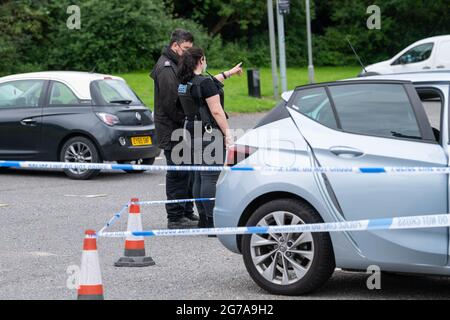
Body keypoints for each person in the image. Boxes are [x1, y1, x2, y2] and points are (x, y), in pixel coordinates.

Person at [177, 47, 243, 229]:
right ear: (201, 60)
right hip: (208, 133)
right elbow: (216, 110)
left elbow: (211, 84)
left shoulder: (185, 81)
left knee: (199, 176)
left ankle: (204, 220)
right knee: (210, 177)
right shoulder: (203, 83)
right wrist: (228, 134)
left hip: (190, 130)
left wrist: (229, 73)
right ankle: (214, 222)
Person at [150, 29, 199, 229]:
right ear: (175, 45)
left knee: (187, 172)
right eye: (186, 49)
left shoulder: (176, 64)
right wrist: (188, 120)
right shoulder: (166, 67)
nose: (188, 53)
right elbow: (171, 103)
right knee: (177, 173)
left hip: (180, 128)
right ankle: (175, 217)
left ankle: (187, 211)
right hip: (172, 129)